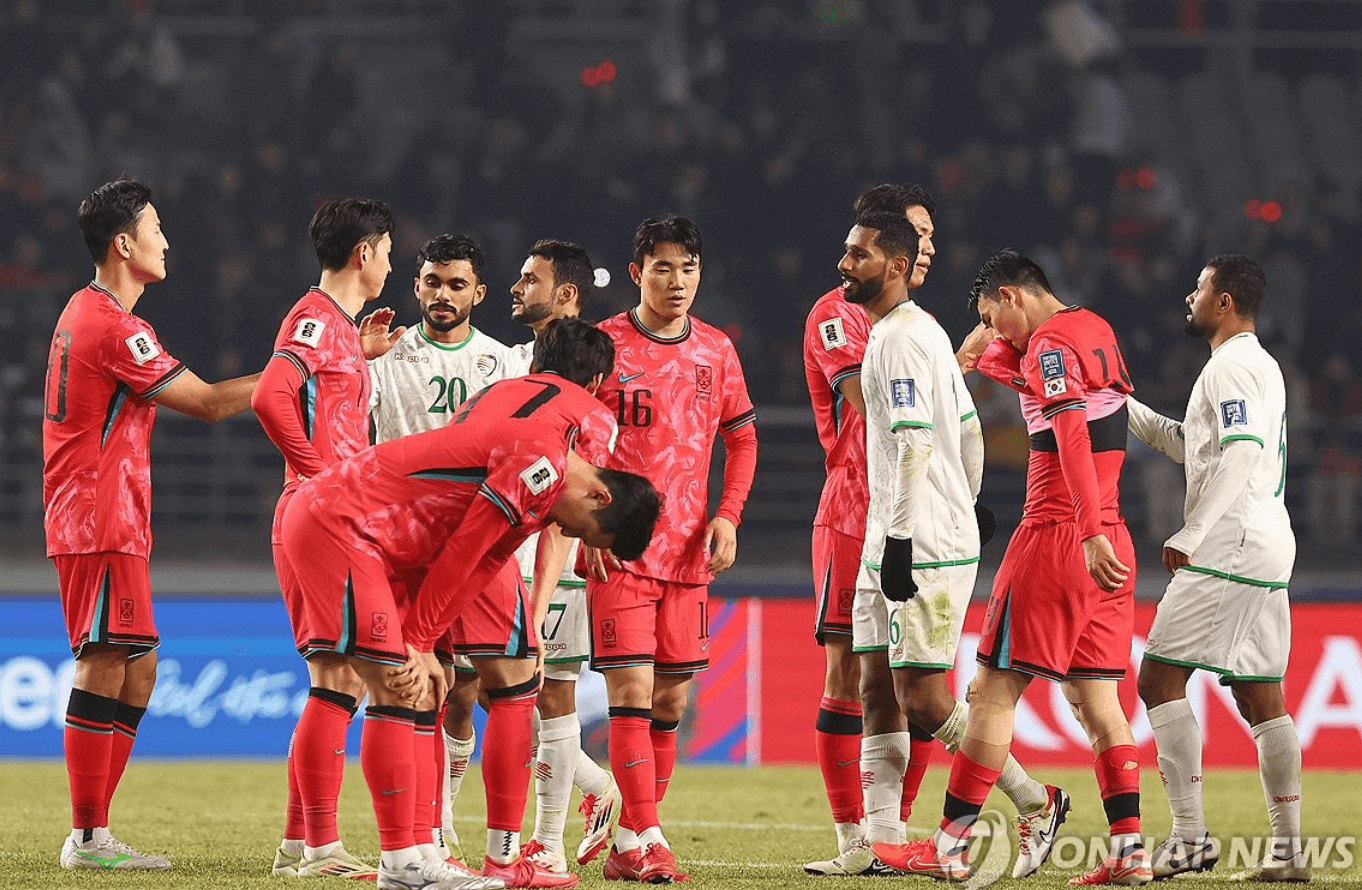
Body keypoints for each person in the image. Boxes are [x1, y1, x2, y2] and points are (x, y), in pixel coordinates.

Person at [281, 354, 660, 890]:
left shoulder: (547, 489)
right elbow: (465, 547)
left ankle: (413, 856)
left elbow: (483, 563)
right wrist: (414, 640)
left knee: (417, 685)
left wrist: (428, 640)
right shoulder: (542, 463)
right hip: (342, 525)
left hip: (368, 535)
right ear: (600, 495)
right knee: (394, 682)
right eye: (587, 533)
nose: (571, 535)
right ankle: (399, 863)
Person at [875, 250, 1147, 885]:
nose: (993, 327)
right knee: (1096, 700)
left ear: (1010, 294)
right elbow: (1033, 381)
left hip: (1061, 534)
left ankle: (947, 845)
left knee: (993, 692)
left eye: (991, 314)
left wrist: (1083, 532)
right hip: (1114, 533)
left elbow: (1072, 434)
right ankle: (1129, 853)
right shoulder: (1091, 329)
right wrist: (981, 348)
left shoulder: (1049, 342)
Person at [819, 215, 1059, 880]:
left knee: (921, 698)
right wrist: (970, 498)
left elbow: (916, 441)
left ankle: (1036, 800)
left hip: (914, 539)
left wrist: (908, 536)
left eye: (857, 254)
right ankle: (879, 843)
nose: (844, 264)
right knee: (875, 690)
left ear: (894, 264)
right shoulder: (908, 334)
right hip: (893, 532)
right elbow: (968, 428)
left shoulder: (899, 339)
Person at [44, 178, 260, 869]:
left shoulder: (87, 312)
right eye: (157, 228)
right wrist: (306, 366)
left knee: (138, 669)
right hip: (97, 517)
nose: (167, 241)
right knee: (106, 660)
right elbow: (209, 404)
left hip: (109, 517)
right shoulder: (115, 326)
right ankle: (88, 839)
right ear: (124, 243)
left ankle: (93, 831)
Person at [589, 215, 758, 883]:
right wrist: (585, 525)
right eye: (662, 267)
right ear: (637, 273)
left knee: (670, 704)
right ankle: (652, 840)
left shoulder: (716, 350)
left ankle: (629, 842)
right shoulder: (603, 345)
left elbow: (742, 439)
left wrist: (729, 517)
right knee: (630, 692)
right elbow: (570, 437)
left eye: (687, 268)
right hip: (621, 550)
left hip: (690, 556)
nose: (677, 280)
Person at [1127, 255, 1307, 883]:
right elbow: (1198, 447)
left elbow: (1241, 452)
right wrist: (1123, 406)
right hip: (1265, 543)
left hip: (1228, 546)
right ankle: (1288, 853)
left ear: (1224, 301)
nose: (1189, 295)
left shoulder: (1229, 367)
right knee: (1261, 696)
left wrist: (1194, 529)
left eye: (1199, 287)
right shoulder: (1260, 366)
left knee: (1157, 679)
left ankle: (1189, 837)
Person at [254, 197, 402, 881]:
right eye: (390, 251)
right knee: (339, 679)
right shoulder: (315, 318)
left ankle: (296, 843)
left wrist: (360, 354)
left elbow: (321, 400)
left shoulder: (335, 326)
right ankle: (321, 849)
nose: (393, 264)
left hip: (326, 515)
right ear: (365, 252)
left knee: (337, 680)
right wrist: (319, 480)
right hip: (321, 515)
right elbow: (270, 396)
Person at [367, 232, 517, 872]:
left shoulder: (502, 363)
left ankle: (495, 842)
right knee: (417, 689)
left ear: (479, 293)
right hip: (404, 544)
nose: (442, 295)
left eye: (457, 285)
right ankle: (428, 833)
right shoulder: (386, 357)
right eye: (432, 282)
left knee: (490, 684)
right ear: (416, 285)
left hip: (480, 543)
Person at [508, 241, 623, 876]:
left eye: (531, 279)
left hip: (557, 554)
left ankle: (545, 844)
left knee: (548, 691)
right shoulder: (514, 365)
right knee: (491, 686)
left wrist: (596, 534)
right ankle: (595, 786)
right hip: (504, 547)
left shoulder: (593, 383)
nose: (516, 288)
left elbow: (574, 495)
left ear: (569, 293)